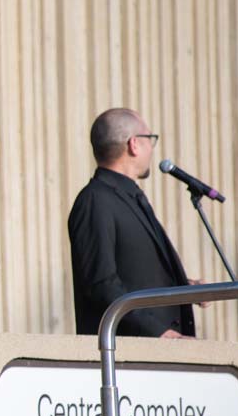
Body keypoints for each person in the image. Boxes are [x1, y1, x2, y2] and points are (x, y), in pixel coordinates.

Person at [68, 108, 198, 337]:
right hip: (129, 355)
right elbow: (101, 283)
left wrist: (180, 287)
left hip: (156, 353)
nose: (152, 148)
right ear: (134, 144)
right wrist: (159, 332)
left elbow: (133, 272)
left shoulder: (128, 197)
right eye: (150, 139)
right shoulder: (95, 200)